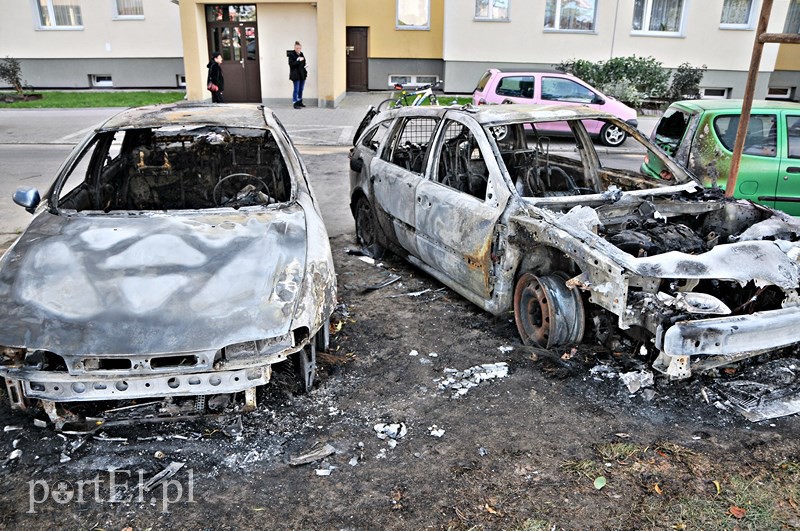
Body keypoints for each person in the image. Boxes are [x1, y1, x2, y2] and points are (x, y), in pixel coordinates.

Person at [287, 41, 308, 109]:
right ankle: (295, 103)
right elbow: (291, 64)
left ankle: (299, 101)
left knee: (301, 89)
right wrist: (298, 60)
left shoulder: (301, 54)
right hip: (295, 75)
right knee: (296, 89)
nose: (298, 49)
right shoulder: (291, 54)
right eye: (297, 48)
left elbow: (304, 62)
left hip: (302, 74)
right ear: (294, 48)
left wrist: (305, 64)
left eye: (299, 48)